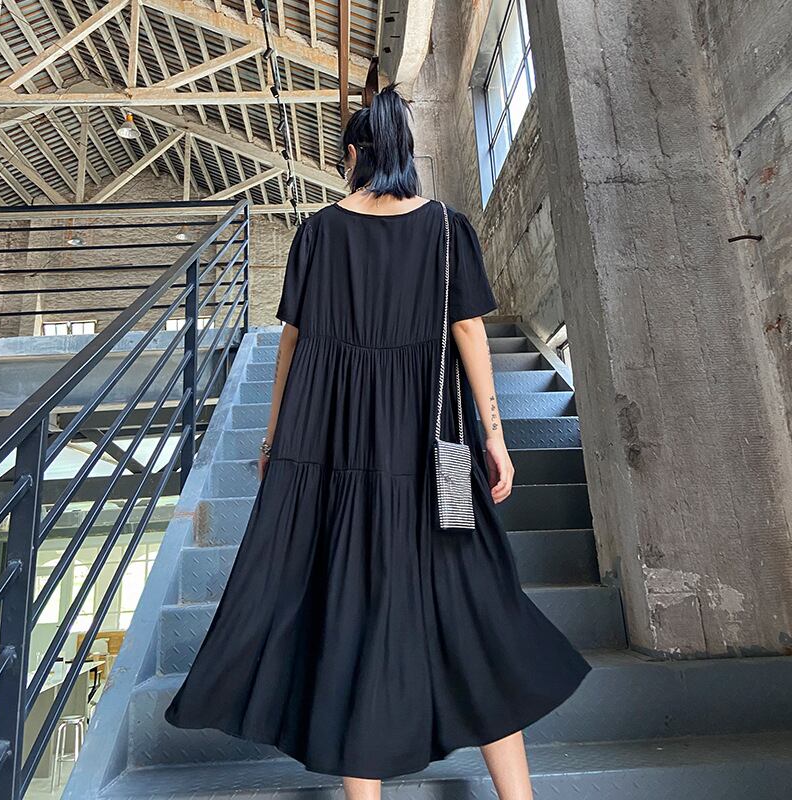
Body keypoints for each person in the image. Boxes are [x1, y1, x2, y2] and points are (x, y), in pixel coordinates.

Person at [164, 83, 592, 800]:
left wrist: (273, 441)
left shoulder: (317, 233)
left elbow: (292, 344)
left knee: (349, 612)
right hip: (443, 453)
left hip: (337, 453)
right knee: (475, 606)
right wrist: (495, 436)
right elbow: (468, 332)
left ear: (355, 156)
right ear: (406, 153)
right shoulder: (448, 230)